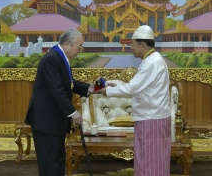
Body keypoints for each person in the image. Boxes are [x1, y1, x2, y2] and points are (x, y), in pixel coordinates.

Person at [97, 25, 171, 176]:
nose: (130, 47)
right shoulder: (152, 59)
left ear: (142, 45)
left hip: (152, 119)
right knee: (148, 159)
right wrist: (115, 84)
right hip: (151, 118)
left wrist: (108, 91)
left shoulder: (151, 62)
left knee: (151, 162)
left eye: (132, 44)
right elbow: (137, 86)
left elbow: (132, 89)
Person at [25, 28, 95, 176]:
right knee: (50, 163)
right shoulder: (52, 58)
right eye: (79, 46)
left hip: (53, 121)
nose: (80, 50)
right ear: (68, 43)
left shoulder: (61, 57)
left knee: (57, 161)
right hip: (46, 121)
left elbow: (68, 83)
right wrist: (72, 112)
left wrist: (89, 88)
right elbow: (56, 90)